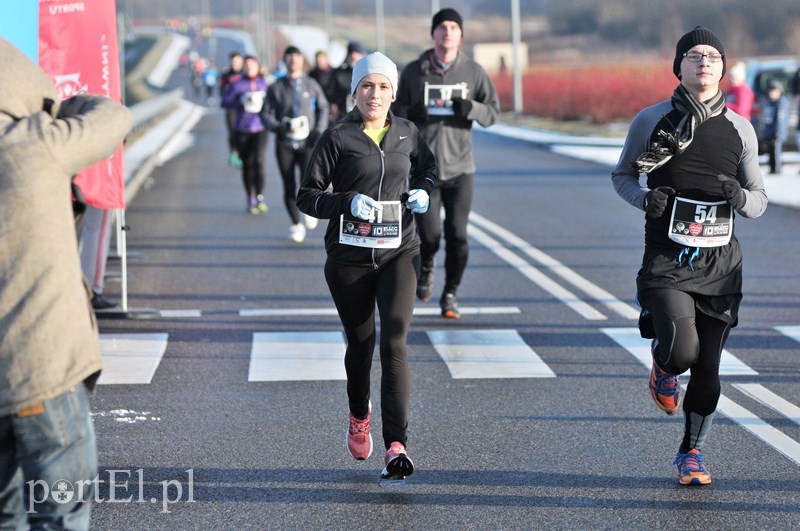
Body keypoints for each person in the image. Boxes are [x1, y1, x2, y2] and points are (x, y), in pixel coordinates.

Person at [611, 26, 768, 486]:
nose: (704, 63)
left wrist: (739, 197)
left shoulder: (740, 128)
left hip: (720, 267)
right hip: (667, 260)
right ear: (678, 65)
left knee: (709, 372)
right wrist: (646, 200)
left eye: (713, 57)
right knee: (682, 353)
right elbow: (622, 176)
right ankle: (663, 365)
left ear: (723, 67)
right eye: (694, 55)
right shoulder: (651, 121)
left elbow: (759, 199)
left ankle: (691, 454)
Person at [0, 37, 132, 527]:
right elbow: (113, 117)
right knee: (61, 514)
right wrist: (58, 106)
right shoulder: (37, 141)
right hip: (42, 371)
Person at [296, 52, 437, 479]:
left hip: (399, 251)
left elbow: (429, 169)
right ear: (354, 91)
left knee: (394, 342)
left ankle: (397, 445)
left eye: (382, 87)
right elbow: (306, 196)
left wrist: (424, 191)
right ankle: (359, 416)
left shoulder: (408, 133)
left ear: (393, 93)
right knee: (361, 348)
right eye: (366, 86)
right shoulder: (337, 137)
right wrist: (344, 202)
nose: (374, 94)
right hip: (349, 260)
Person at [393, 7, 500, 319]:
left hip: (460, 169)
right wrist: (414, 113)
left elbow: (493, 113)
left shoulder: (474, 72)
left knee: (458, 236)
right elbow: (395, 110)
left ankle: (450, 293)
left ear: (461, 34)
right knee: (429, 236)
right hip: (424, 170)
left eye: (454, 27)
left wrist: (471, 108)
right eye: (442, 27)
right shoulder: (415, 71)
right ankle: (426, 266)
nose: (448, 32)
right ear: (433, 34)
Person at [263, 46, 329, 243]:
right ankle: (295, 224)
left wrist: (318, 130)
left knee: (307, 181)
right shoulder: (276, 86)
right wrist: (278, 127)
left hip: (307, 142)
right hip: (284, 143)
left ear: (302, 60)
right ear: (285, 60)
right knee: (288, 184)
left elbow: (323, 107)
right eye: (289, 57)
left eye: (297, 57)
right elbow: (264, 113)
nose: (293, 60)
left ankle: (308, 209)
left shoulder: (311, 84)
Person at [221, 54, 270, 215]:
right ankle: (250, 197)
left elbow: (272, 103)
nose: (250, 68)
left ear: (257, 67)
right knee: (247, 164)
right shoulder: (237, 85)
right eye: (247, 66)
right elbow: (224, 101)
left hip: (260, 128)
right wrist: (239, 101)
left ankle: (260, 196)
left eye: (252, 65)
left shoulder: (264, 85)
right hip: (242, 129)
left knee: (259, 160)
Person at [758, 78, 789, 174]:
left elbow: (780, 120)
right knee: (770, 151)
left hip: (777, 133)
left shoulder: (781, 104)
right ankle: (771, 167)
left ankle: (777, 168)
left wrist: (778, 133)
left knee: (776, 150)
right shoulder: (768, 103)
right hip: (769, 132)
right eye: (770, 92)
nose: (772, 94)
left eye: (774, 92)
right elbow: (766, 119)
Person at [220, 51, 245, 168]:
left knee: (244, 132)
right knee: (232, 131)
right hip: (231, 109)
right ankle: (234, 154)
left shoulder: (246, 74)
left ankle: (243, 153)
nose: (235, 64)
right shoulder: (226, 75)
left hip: (245, 110)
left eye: (237, 61)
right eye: (233, 62)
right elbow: (221, 90)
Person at [330, 41, 366, 121]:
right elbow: (331, 92)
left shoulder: (367, 73)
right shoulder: (339, 73)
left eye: (356, 53)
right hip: (343, 114)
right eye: (352, 53)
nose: (353, 56)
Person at [309, 50, 338, 123]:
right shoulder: (312, 74)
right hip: (316, 107)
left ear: (326, 60)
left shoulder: (335, 73)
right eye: (317, 60)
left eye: (321, 60)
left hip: (331, 107)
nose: (319, 62)